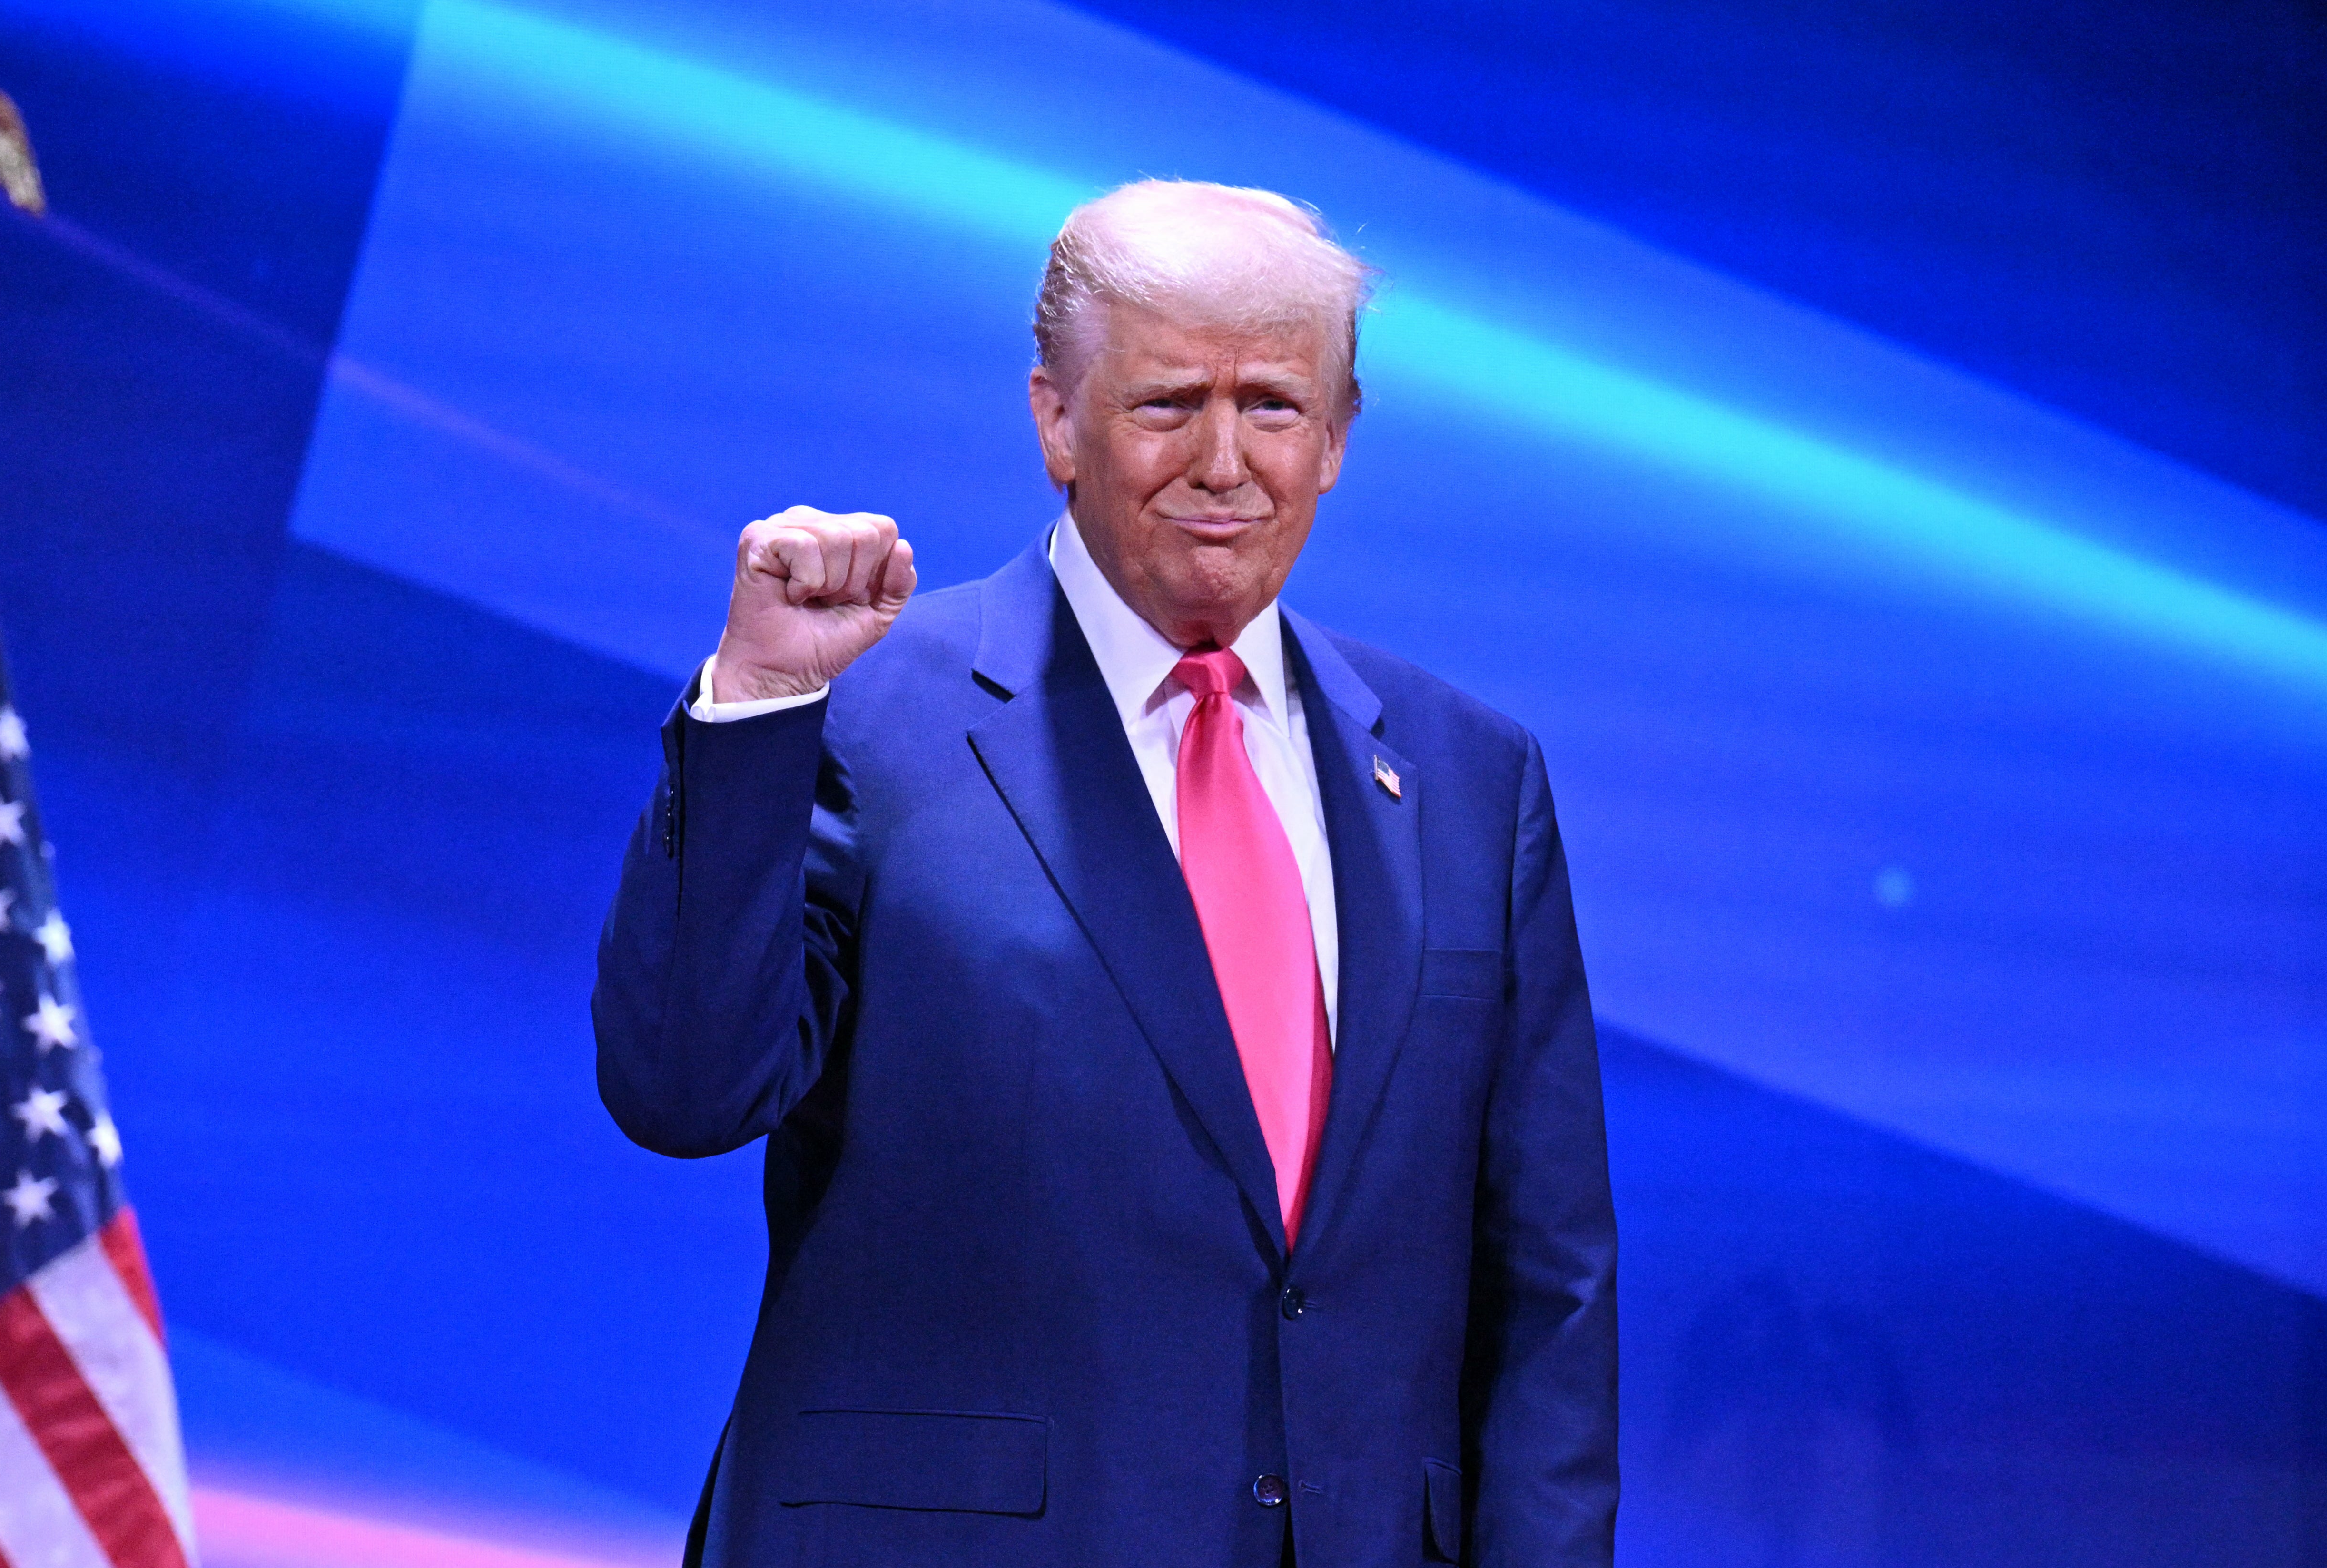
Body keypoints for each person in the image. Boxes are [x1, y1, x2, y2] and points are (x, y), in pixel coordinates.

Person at [594, 178, 1617, 1568]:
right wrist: (760, 707)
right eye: (1165, 405)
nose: (1223, 461)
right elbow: (683, 1090)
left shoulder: (1470, 779)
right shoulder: (867, 715)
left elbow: (1548, 1287)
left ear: (1338, 439)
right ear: (1055, 420)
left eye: (1271, 405)